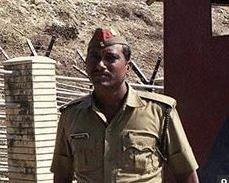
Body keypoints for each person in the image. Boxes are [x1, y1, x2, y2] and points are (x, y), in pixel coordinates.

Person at [51, 28, 199, 183]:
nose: (100, 64)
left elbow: (185, 173)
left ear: (127, 67)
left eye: (110, 58)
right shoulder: (71, 116)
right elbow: (62, 175)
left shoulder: (159, 112)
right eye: (94, 57)